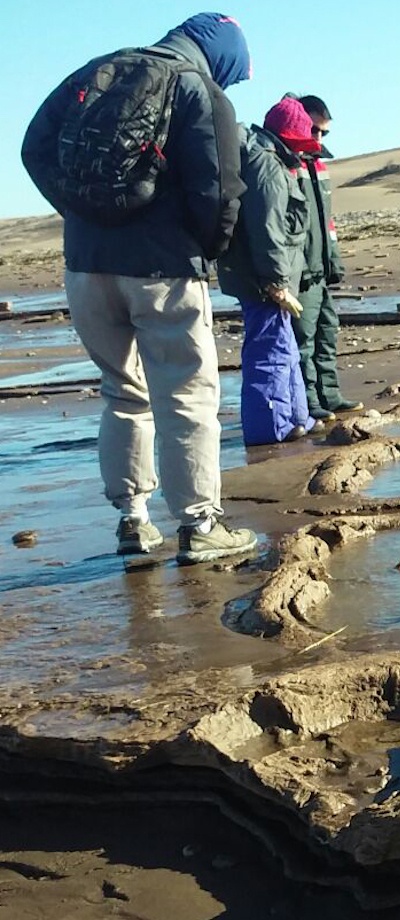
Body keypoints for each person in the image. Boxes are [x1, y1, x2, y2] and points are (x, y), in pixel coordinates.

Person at [21, 12, 260, 566]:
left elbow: (35, 148)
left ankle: (133, 518)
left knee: (123, 392)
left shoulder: (97, 72)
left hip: (86, 266)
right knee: (186, 396)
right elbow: (220, 188)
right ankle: (200, 524)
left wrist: (80, 214)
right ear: (222, 57)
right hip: (163, 270)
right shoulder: (197, 88)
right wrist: (204, 247)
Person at [216, 96, 316, 447]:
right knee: (270, 351)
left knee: (283, 346)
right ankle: (270, 428)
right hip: (263, 280)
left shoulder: (265, 158)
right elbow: (267, 227)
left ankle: (295, 417)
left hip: (264, 275)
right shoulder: (267, 165)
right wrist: (276, 282)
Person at [293, 94, 362, 421]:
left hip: (321, 267)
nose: (319, 138)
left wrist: (334, 260)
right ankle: (309, 402)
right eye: (314, 130)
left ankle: (330, 395)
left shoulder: (318, 164)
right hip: (302, 269)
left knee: (327, 331)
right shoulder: (288, 164)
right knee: (304, 339)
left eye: (324, 132)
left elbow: (327, 222)